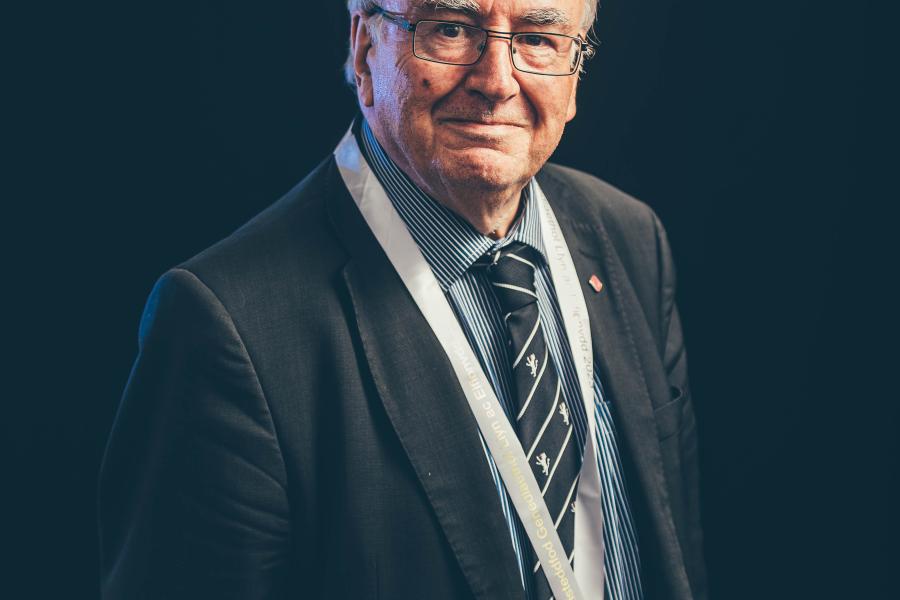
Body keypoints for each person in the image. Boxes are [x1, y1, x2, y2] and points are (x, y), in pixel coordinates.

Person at [98, 0, 706, 598]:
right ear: (365, 49)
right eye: (450, 29)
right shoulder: (226, 326)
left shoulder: (630, 241)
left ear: (574, 75)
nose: (496, 81)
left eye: (539, 39)